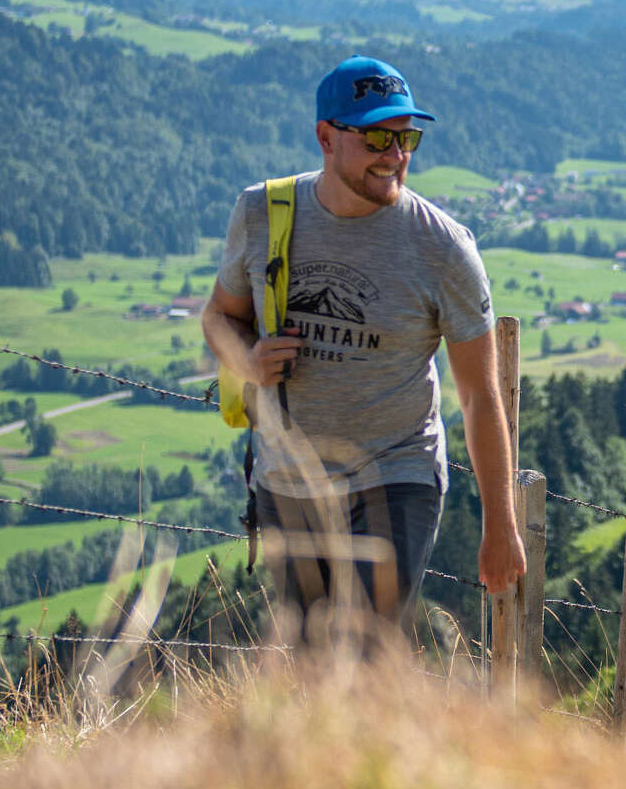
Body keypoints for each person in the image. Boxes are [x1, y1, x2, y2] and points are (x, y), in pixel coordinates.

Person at [201, 55, 525, 649]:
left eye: (406, 138)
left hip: (397, 473)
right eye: (377, 136)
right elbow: (220, 318)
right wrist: (247, 361)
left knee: (366, 648)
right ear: (326, 137)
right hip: (287, 477)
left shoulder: (443, 248)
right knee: (312, 660)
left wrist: (500, 521)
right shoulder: (262, 212)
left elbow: (479, 396)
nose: (395, 154)